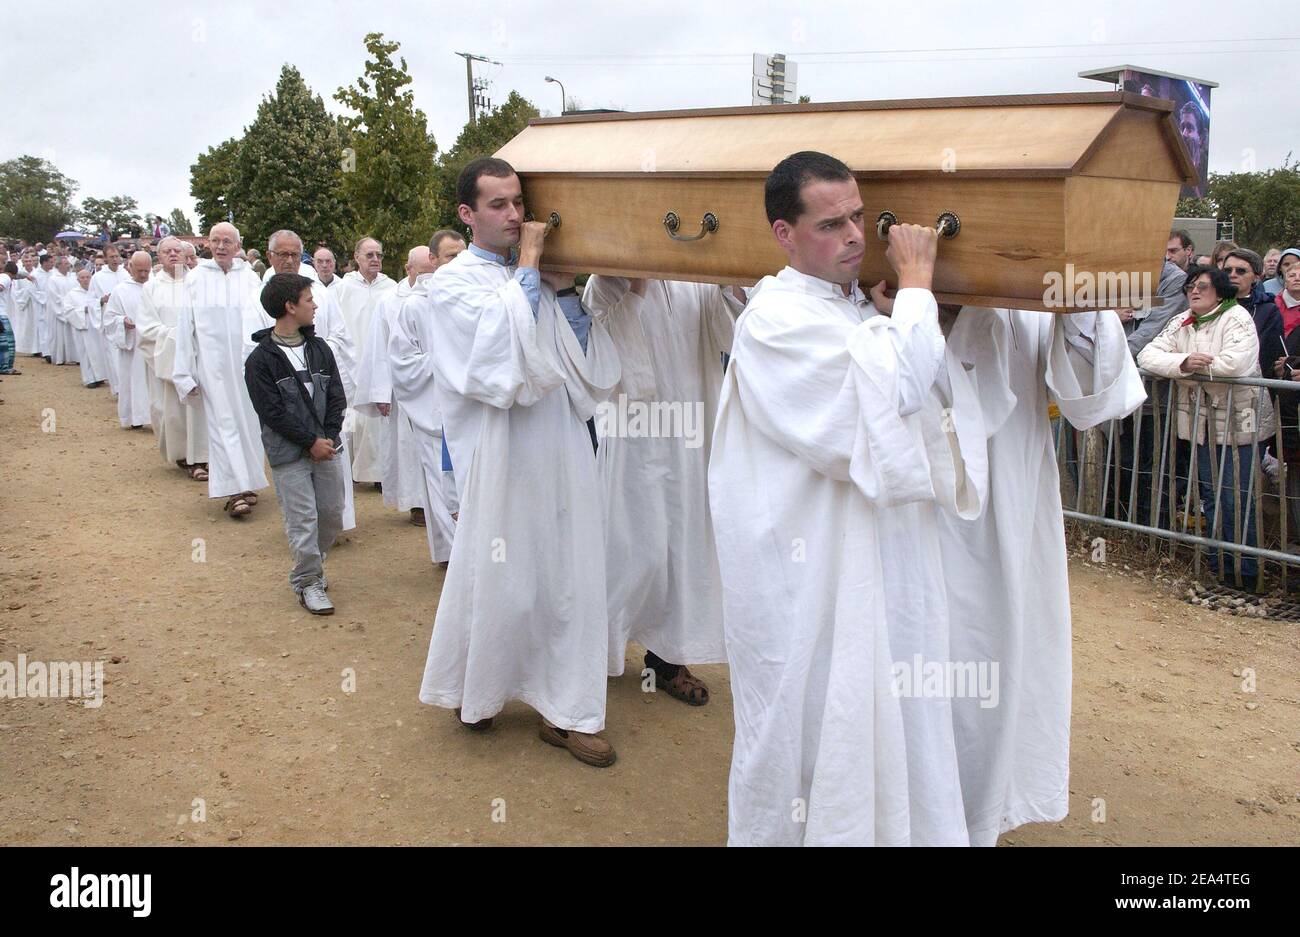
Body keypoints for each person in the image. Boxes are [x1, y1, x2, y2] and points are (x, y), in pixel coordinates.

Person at [708, 151, 987, 845]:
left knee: (885, 724)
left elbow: (888, 368)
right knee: (811, 730)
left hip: (869, 567)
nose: (858, 235)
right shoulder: (775, 319)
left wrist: (894, 313)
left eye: (860, 216)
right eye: (832, 224)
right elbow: (897, 390)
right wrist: (919, 285)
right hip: (807, 582)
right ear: (784, 233)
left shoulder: (844, 307)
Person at [416, 157, 621, 767]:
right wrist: (531, 269)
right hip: (501, 452)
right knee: (500, 574)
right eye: (499, 205)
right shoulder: (450, 285)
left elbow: (582, 368)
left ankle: (568, 711)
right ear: (467, 214)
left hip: (561, 447)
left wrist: (560, 289)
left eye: (518, 204)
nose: (513, 215)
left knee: (569, 575)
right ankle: (479, 690)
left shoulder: (534, 278)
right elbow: (497, 370)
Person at [931, 304, 1145, 846]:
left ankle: (972, 818)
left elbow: (1093, 398)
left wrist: (1078, 309)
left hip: (1006, 495)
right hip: (904, 495)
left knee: (987, 657)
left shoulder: (1027, 295)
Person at [582, 274, 743, 705]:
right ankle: (593, 650)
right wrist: (636, 286)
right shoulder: (605, 281)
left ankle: (667, 658)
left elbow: (731, 337)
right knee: (635, 548)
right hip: (638, 434)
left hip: (693, 430)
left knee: (684, 546)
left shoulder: (698, 275)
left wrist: (733, 281)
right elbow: (605, 360)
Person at [1137, 265, 1275, 585]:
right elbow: (1148, 355)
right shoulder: (1182, 320)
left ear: (1220, 291)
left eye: (1203, 286)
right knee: (1211, 496)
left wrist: (1192, 366)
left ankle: (1246, 571)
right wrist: (1184, 363)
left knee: (1237, 498)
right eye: (1190, 287)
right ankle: (1219, 567)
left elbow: (1236, 362)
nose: (1194, 292)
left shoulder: (1237, 318)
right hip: (1201, 425)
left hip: (1239, 424)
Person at [245, 274, 347, 615]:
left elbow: (336, 396)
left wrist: (329, 436)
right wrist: (309, 441)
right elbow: (271, 412)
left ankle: (311, 567)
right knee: (302, 519)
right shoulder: (260, 361)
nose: (315, 305)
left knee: (331, 516)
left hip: (326, 449)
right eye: (308, 299)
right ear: (290, 307)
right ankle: (308, 582)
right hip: (289, 454)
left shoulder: (319, 349)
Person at [173, 222, 272, 518]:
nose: (220, 246)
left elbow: (264, 323)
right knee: (222, 425)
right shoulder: (196, 279)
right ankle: (233, 491)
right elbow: (184, 327)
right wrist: (184, 372)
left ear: (238, 245)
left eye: (227, 241)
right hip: (212, 367)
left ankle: (249, 481)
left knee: (250, 425)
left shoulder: (252, 281)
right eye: (215, 240)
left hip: (248, 366)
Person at [265, 230, 359, 529]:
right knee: (299, 500)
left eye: (295, 254)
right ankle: (305, 550)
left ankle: (334, 525)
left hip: (320, 385)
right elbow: (253, 347)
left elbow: (340, 334)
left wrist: (316, 353)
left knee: (331, 500)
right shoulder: (261, 293)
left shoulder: (317, 290)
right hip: (284, 398)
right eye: (283, 254)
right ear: (271, 256)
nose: (290, 260)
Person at [389, 237, 466, 560]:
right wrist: (443, 361)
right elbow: (402, 361)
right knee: (441, 483)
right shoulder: (415, 305)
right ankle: (454, 555)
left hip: (469, 404)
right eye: (450, 256)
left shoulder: (469, 297)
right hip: (434, 406)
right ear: (433, 259)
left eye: (462, 255)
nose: (457, 261)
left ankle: (465, 554)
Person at [353, 246, 427, 526]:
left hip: (435, 386)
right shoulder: (390, 301)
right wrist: (381, 392)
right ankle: (416, 503)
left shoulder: (443, 295)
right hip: (403, 388)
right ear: (409, 270)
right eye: (422, 273)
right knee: (408, 447)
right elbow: (379, 349)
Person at [136, 237, 209, 479]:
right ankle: (184, 456)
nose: (173, 255)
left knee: (201, 410)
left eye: (177, 251)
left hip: (200, 358)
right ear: (159, 257)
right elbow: (146, 328)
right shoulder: (152, 288)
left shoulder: (199, 282)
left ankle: (203, 457)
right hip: (169, 357)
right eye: (167, 252)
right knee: (174, 412)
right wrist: (179, 338)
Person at [337, 237, 396, 487]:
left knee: (380, 420)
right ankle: (352, 468)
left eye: (379, 255)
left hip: (381, 361)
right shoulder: (343, 288)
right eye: (369, 255)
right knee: (353, 417)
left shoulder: (391, 287)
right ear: (356, 257)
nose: (375, 260)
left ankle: (380, 474)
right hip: (352, 360)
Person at [102, 251, 154, 429]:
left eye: (146, 271)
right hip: (133, 345)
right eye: (139, 270)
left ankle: (154, 417)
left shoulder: (156, 286)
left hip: (155, 344)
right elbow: (109, 317)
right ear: (130, 267)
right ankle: (133, 418)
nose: (143, 275)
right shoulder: (121, 290)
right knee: (133, 380)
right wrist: (121, 321)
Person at [1223, 247, 1283, 376]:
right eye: (1227, 270)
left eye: (1241, 271)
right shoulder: (1208, 305)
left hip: (1250, 383)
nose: (1232, 275)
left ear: (1256, 277)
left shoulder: (1269, 311)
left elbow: (1268, 355)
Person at [89, 246, 130, 393]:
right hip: (110, 321)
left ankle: (129, 387)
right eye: (111, 257)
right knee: (113, 356)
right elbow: (90, 300)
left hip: (126, 321)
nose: (115, 259)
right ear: (105, 258)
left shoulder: (125, 274)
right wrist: (101, 300)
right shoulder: (97, 278)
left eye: (117, 256)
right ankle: (120, 388)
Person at [63, 267, 106, 387]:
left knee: (99, 351)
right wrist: (84, 310)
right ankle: (90, 379)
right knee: (86, 353)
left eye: (88, 277)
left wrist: (98, 305)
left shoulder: (96, 292)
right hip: (84, 327)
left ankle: (100, 376)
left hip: (96, 327)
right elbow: (68, 311)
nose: (86, 280)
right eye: (82, 277)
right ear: (78, 279)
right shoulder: (72, 294)